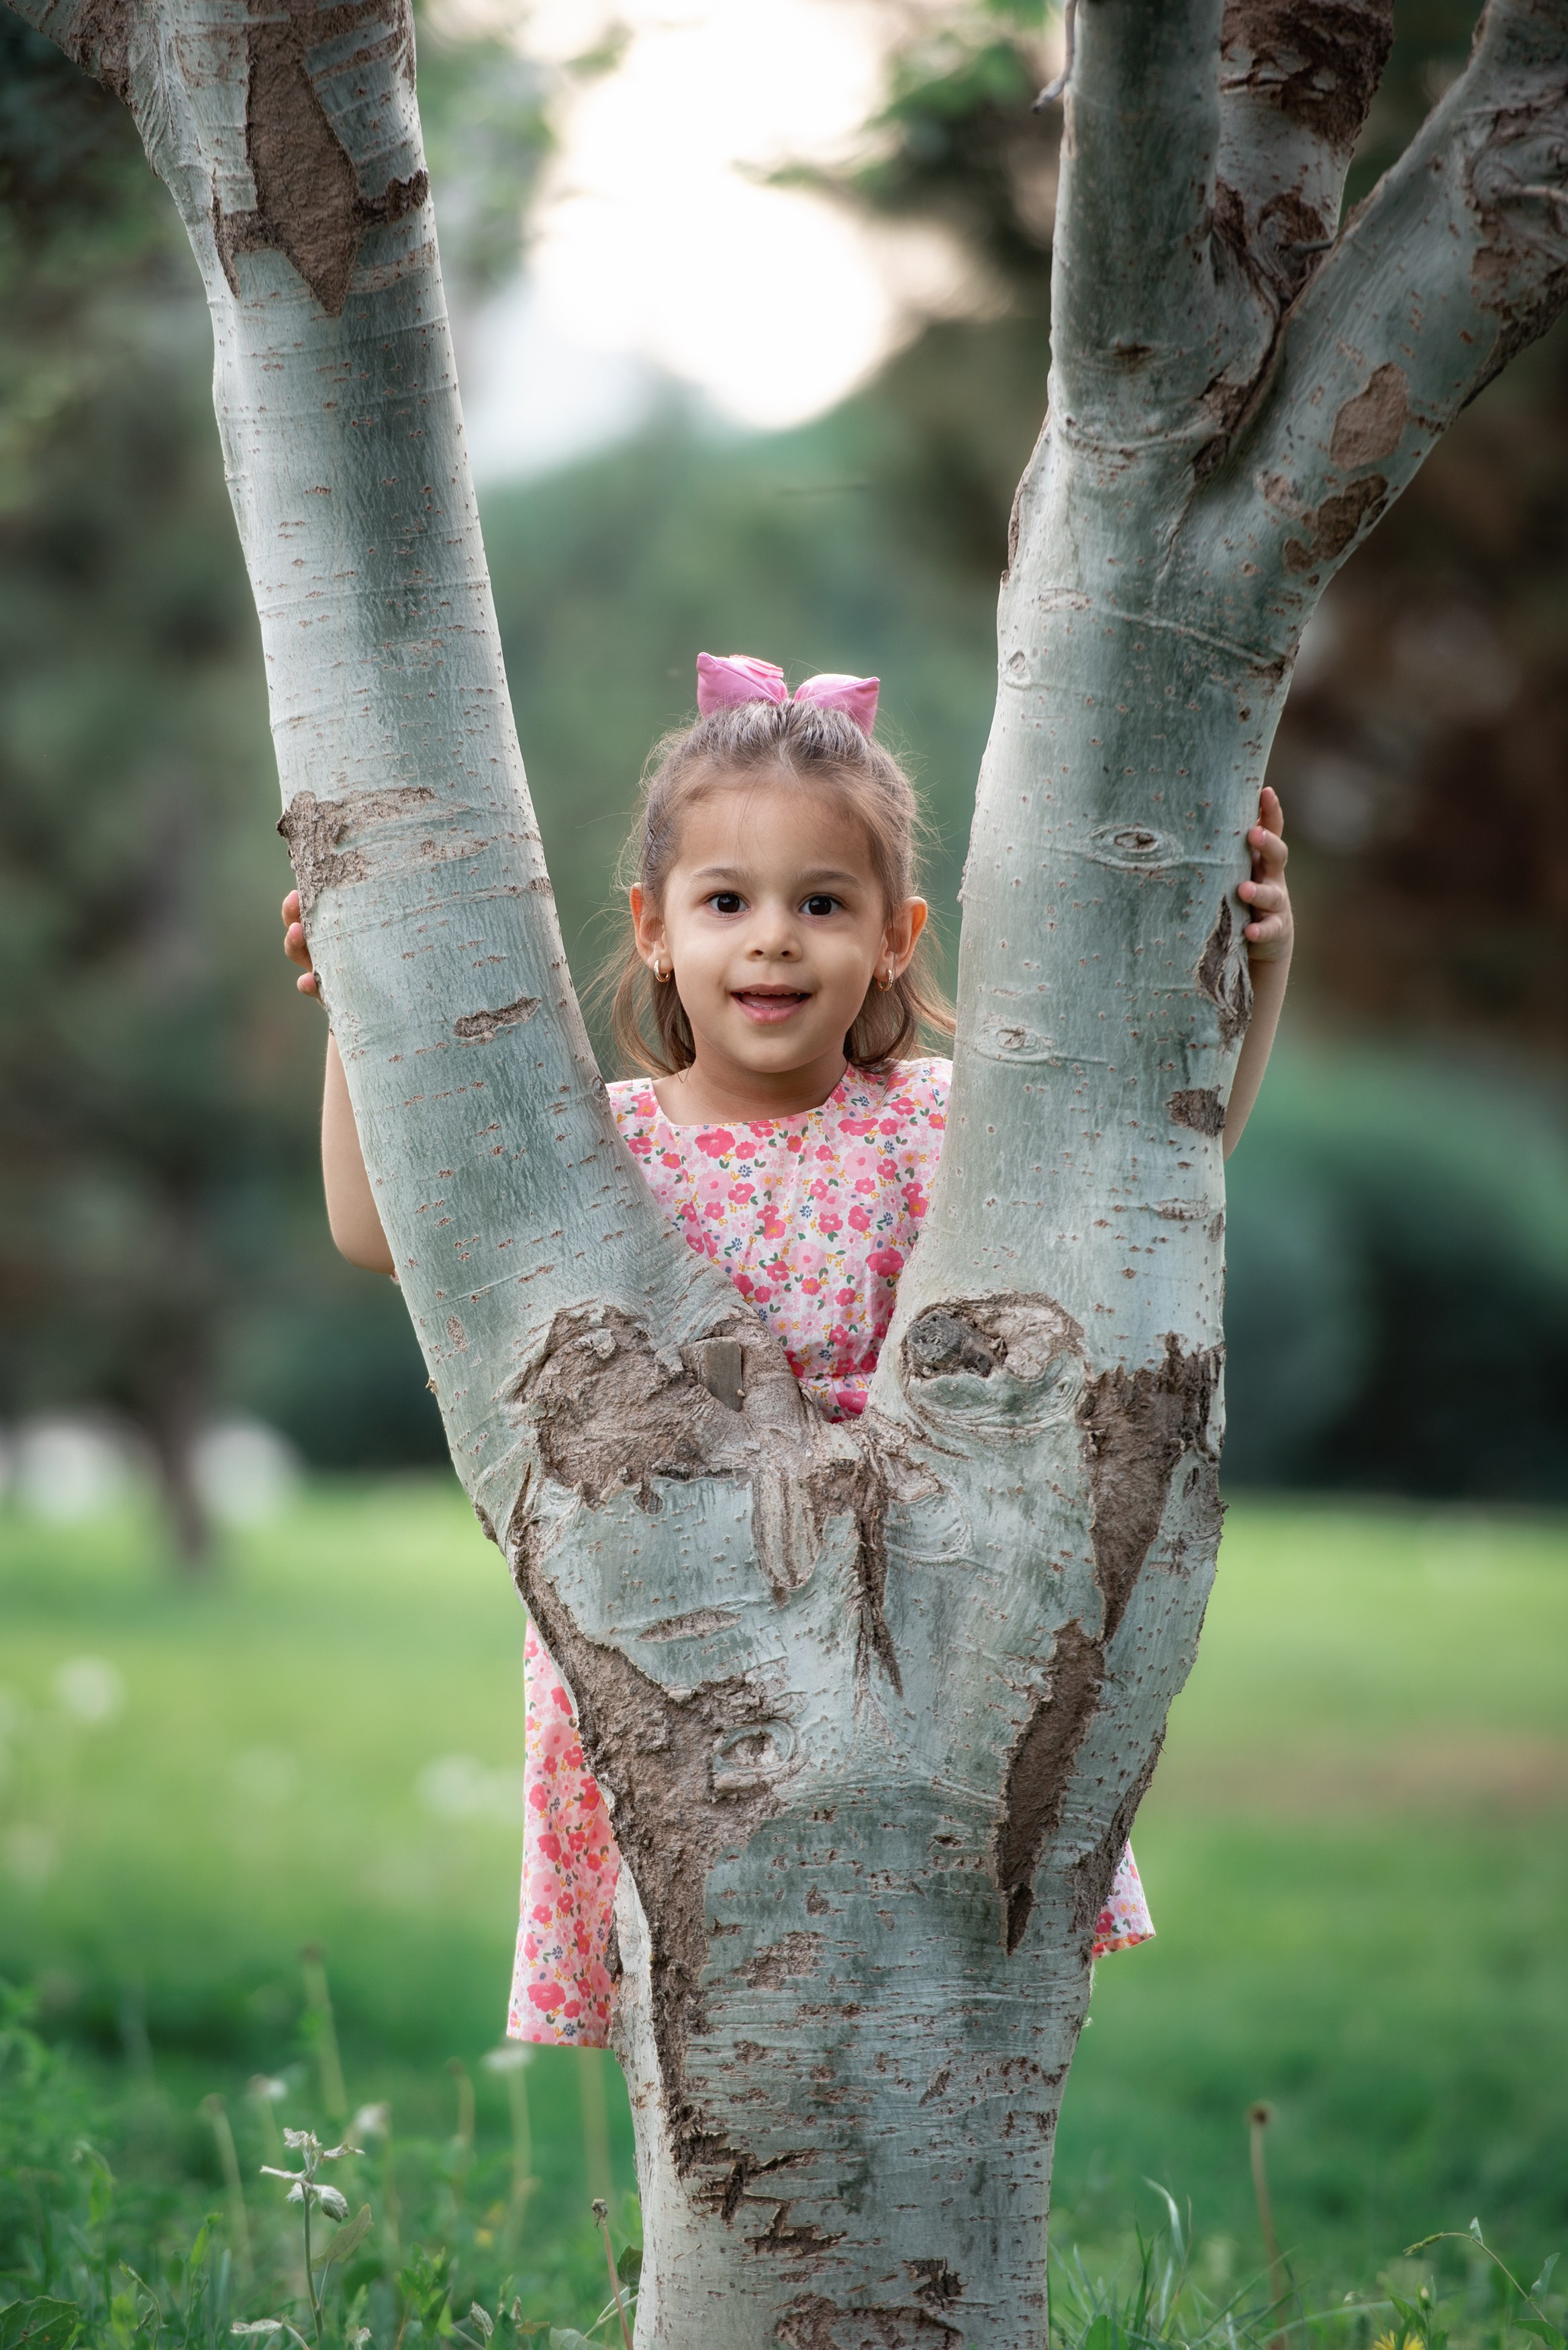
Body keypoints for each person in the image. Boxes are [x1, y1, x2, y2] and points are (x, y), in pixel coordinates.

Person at [283, 649, 1295, 2051]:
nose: (773, 940)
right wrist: (356, 1016)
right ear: (652, 929)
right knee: (719, 2000)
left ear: (894, 936)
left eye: (821, 903)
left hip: (907, 1604)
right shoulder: (600, 1142)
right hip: (672, 1633)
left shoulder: (936, 1119)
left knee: (907, 1979)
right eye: (727, 902)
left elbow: (1154, 1167)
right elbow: (373, 1229)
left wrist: (1260, 967)